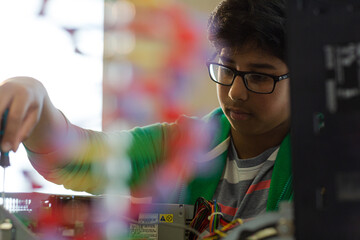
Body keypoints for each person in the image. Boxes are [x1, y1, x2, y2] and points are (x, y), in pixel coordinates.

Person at [0, 0, 292, 222]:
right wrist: (34, 98)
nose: (234, 92)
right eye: (227, 69)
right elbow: (75, 159)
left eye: (259, 76)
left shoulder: (325, 160)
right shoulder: (184, 145)